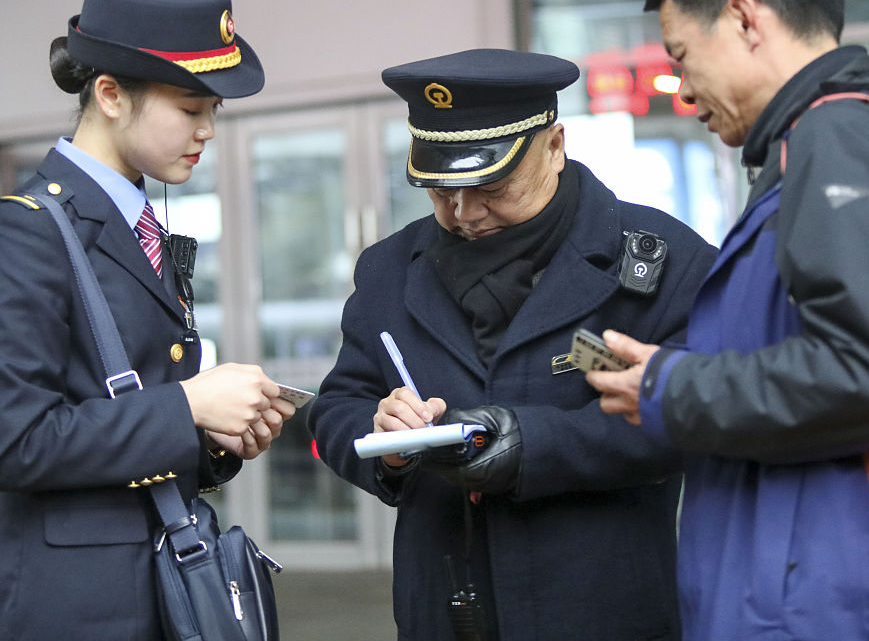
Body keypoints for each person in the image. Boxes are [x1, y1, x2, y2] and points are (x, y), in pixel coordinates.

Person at [586, 0, 869, 640]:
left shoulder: (836, 142)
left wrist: (672, 385)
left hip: (829, 604)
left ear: (743, 18)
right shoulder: (838, 142)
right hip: (822, 588)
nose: (685, 91)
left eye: (681, 57)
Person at [307, 48, 717, 640]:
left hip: (603, 603)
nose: (465, 212)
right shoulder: (390, 271)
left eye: (489, 184)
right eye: (440, 189)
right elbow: (338, 404)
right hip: (447, 603)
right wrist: (385, 442)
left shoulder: (660, 262)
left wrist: (536, 445)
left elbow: (696, 414)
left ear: (554, 147)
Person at [0, 0, 297, 640]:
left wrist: (215, 438)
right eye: (189, 108)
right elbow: (15, 444)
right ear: (110, 95)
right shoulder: (24, 229)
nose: (205, 132)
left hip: (157, 591)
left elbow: (135, 417)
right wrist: (190, 406)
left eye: (212, 113)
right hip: (65, 610)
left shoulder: (134, 221)